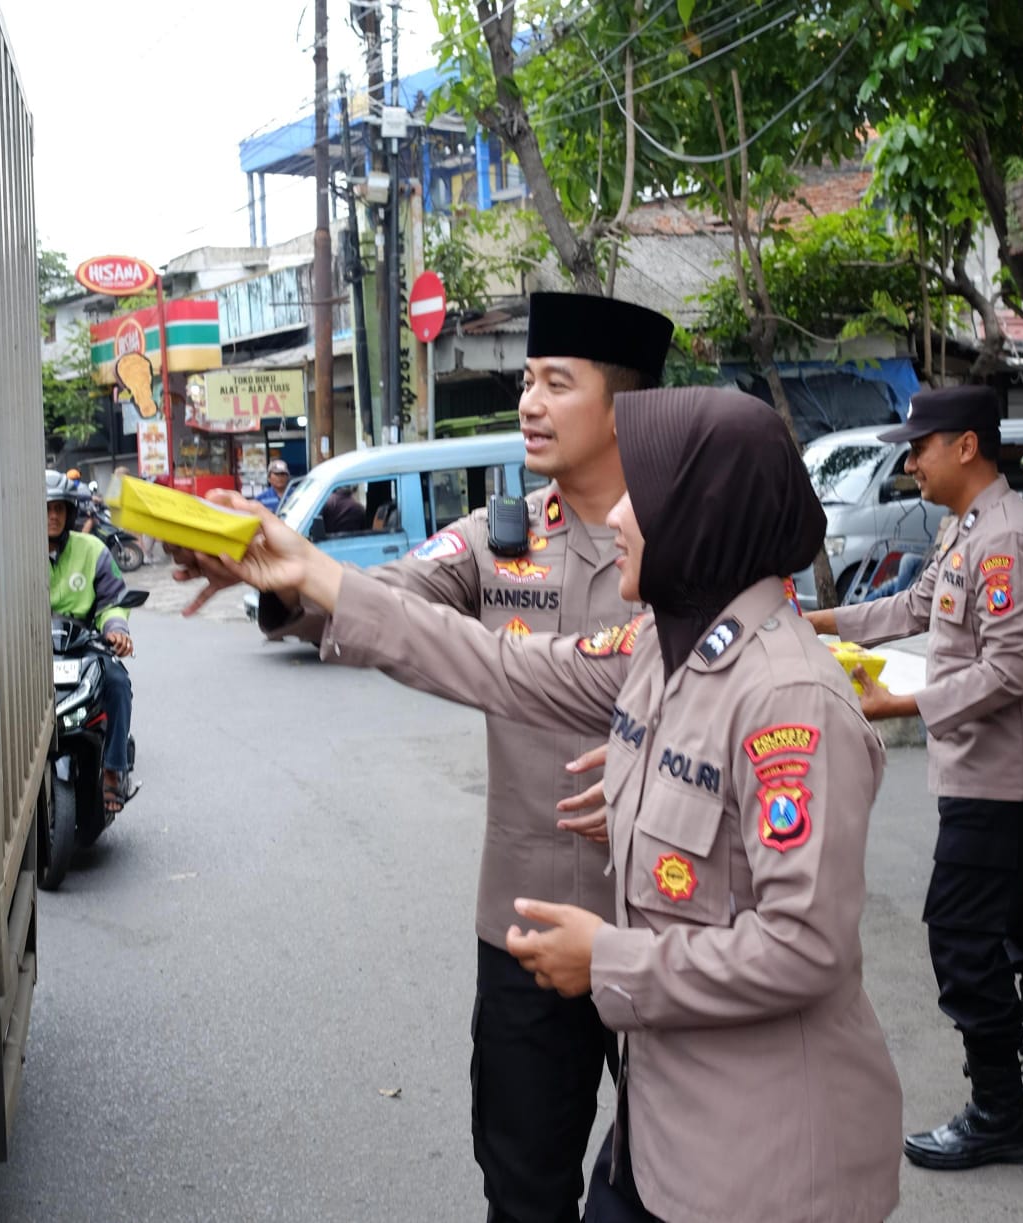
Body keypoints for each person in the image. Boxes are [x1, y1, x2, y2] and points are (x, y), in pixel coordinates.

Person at [192, 387, 904, 1222]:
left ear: (699, 513)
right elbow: (494, 664)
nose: (620, 518)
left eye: (644, 492)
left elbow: (804, 947)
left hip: (763, 1165)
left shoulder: (787, 697)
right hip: (664, 1134)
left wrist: (608, 960)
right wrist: (305, 569)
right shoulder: (664, 651)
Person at [174, 291, 674, 1223]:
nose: (526, 402)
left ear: (625, 408)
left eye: (554, 383)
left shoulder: (689, 544)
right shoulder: (499, 537)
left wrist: (654, 761)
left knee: (666, 1187)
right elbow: (383, 600)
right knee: (523, 1186)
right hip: (523, 925)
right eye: (524, 380)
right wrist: (271, 575)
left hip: (662, 921)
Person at [805, 385, 1023, 1172]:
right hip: (1010, 773)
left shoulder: (1006, 543)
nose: (910, 460)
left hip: (1001, 777)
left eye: (919, 445)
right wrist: (812, 621)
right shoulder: (968, 530)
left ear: (964, 446)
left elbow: (1008, 669)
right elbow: (913, 608)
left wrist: (898, 701)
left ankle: (1000, 1109)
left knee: (961, 935)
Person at [46, 470, 136, 813]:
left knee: (117, 683)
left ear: (70, 512)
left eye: (60, 508)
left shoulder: (93, 549)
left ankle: (114, 769)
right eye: (47, 508)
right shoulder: (17, 553)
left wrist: (117, 630)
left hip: (83, 643)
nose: (53, 516)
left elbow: (113, 599)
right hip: (31, 650)